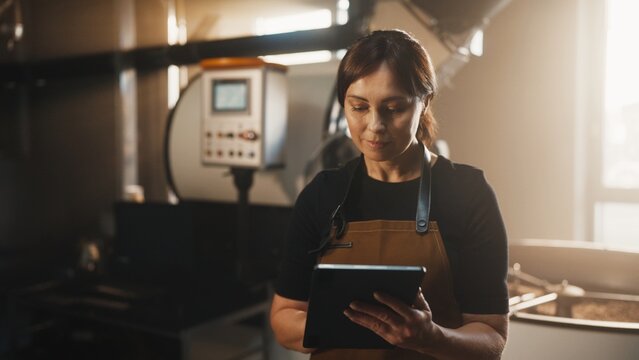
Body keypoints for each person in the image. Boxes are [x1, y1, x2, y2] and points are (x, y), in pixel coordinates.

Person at [270, 29, 509, 359]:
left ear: (424, 102)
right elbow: (283, 319)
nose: (374, 125)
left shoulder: (467, 193)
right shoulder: (322, 194)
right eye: (359, 107)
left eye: (393, 108)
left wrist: (432, 338)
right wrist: (364, 324)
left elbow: (492, 336)